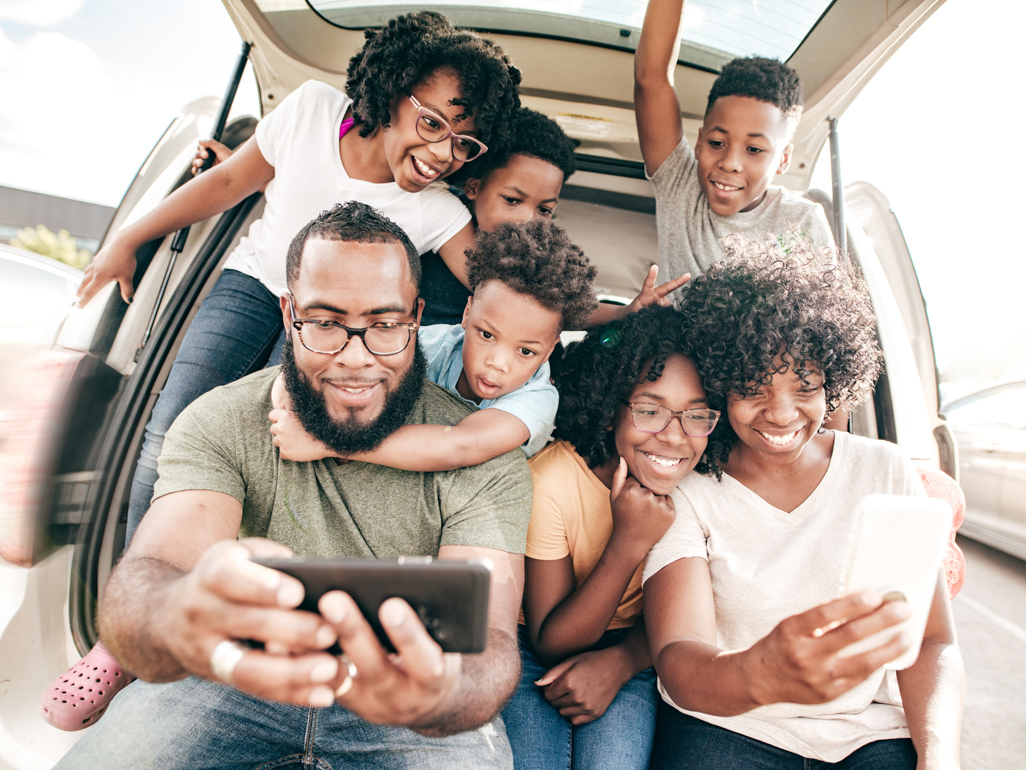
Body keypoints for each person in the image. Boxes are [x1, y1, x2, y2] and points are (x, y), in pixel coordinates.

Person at [42, 11, 522, 730]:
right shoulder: (308, 113)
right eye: (433, 125)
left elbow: (505, 299)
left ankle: (243, 612)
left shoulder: (439, 213)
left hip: (326, 326)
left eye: (465, 142)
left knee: (271, 441)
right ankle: (126, 637)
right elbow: (227, 186)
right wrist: (133, 238)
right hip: (253, 284)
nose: (445, 153)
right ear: (392, 94)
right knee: (170, 433)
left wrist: (592, 327)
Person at [52, 202, 534, 770]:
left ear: (416, 320)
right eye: (326, 323)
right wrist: (178, 613)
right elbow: (154, 566)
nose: (355, 359)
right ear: (288, 315)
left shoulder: (488, 459)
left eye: (383, 326)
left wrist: (444, 692)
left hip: (413, 699)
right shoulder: (223, 419)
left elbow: (492, 642)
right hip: (224, 674)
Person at [642, 236, 964, 769]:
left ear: (833, 380)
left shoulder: (882, 469)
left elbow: (931, 642)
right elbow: (678, 658)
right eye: (752, 386)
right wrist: (760, 673)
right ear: (718, 383)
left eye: (805, 385)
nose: (782, 413)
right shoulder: (689, 488)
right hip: (730, 725)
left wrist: (940, 759)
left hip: (870, 735)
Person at [501, 307, 723, 770]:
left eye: (696, 416)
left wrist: (623, 661)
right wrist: (629, 542)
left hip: (639, 647)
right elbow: (551, 641)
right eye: (649, 411)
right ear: (607, 410)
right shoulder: (550, 482)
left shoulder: (703, 489)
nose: (674, 437)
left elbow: (698, 616)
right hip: (535, 643)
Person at [270, 219, 597, 468]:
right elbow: (363, 361)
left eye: (526, 351)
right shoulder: (439, 344)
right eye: (486, 334)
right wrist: (286, 393)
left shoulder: (537, 399)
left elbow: (461, 445)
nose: (498, 362)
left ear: (549, 351)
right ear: (467, 313)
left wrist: (329, 444)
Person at [633, 0, 834, 295]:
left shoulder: (801, 221)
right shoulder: (680, 185)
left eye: (754, 149)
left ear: (783, 160)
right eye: (717, 143)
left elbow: (820, 323)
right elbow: (651, 78)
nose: (730, 163)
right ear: (699, 142)